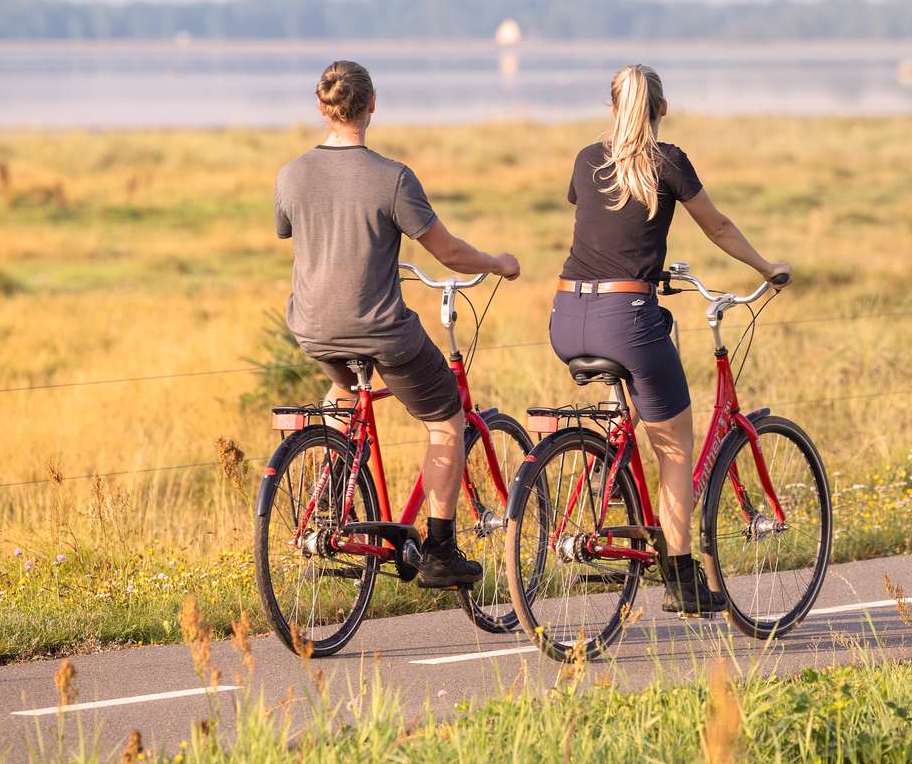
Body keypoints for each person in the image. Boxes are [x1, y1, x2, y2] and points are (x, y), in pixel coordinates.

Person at [550, 64, 791, 615]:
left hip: (566, 314)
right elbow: (719, 227)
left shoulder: (588, 158)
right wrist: (765, 266)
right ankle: (681, 581)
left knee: (635, 410)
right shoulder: (669, 161)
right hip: (628, 316)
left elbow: (600, 222)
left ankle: (612, 474)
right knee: (675, 448)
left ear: (612, 108)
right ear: (661, 110)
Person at [274, 60, 520, 588]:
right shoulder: (393, 178)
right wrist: (498, 262)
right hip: (381, 329)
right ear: (373, 103)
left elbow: (297, 231)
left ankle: (331, 503)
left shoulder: (290, 174)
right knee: (445, 419)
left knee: (345, 393)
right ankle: (438, 548)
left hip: (314, 329)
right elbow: (450, 252)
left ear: (321, 107)